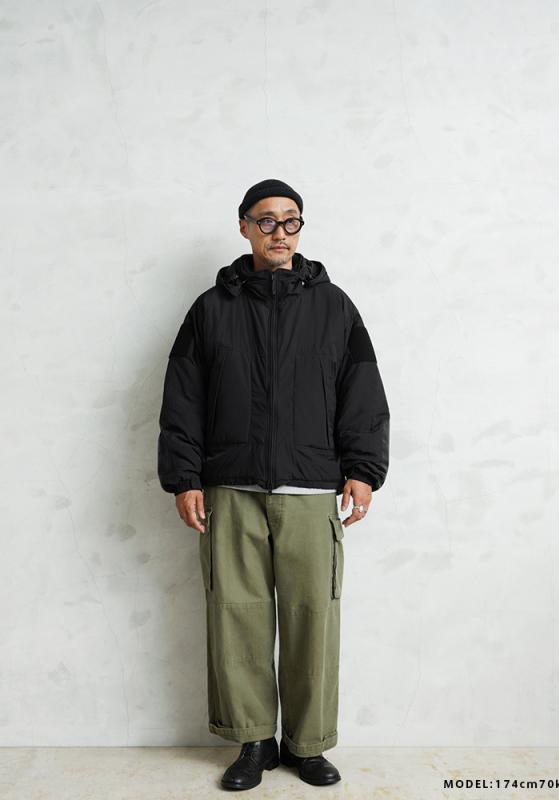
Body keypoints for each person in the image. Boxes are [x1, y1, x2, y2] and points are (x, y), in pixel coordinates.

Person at [157, 178, 390, 791]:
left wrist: (363, 470)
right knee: (237, 616)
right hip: (230, 489)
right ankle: (254, 741)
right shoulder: (211, 309)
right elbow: (183, 398)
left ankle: (306, 744)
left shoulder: (334, 307)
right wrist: (184, 478)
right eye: (266, 221)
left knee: (314, 617)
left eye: (291, 221)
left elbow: (362, 392)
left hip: (311, 491)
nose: (280, 233)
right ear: (244, 227)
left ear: (300, 228)